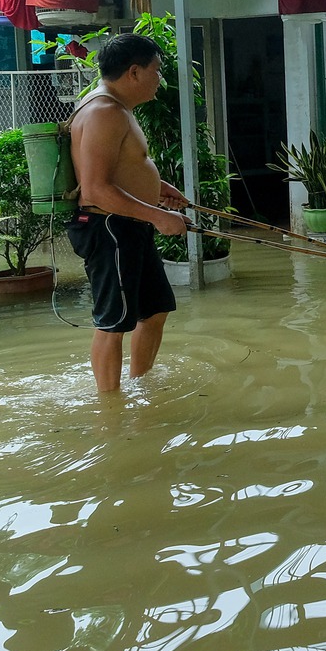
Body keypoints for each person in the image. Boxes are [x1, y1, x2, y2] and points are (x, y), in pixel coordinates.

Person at [67, 33, 190, 393]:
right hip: (110, 229)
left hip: (129, 226)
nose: (159, 79)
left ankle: (139, 386)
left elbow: (124, 167)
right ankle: (110, 406)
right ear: (134, 72)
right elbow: (96, 189)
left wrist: (159, 188)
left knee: (155, 311)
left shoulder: (117, 108)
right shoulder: (105, 112)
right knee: (113, 322)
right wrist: (157, 215)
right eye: (156, 71)